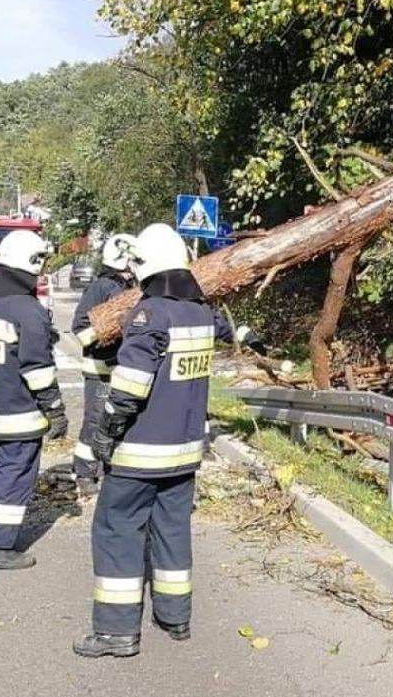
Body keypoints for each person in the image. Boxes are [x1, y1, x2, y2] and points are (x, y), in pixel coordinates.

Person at [74, 223, 269, 658]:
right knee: (172, 531)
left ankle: (115, 632)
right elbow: (224, 333)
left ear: (143, 266)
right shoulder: (198, 313)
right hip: (184, 452)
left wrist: (104, 433)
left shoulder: (149, 313)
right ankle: (175, 616)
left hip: (141, 453)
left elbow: (130, 387)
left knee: (118, 531)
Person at [0, 230, 68, 572]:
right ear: (31, 262)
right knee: (14, 477)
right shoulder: (27, 309)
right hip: (20, 414)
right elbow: (38, 370)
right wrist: (55, 410)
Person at [69, 234, 139, 501]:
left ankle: (111, 467)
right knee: (96, 421)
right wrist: (105, 337)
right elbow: (80, 328)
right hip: (101, 369)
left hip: (124, 368)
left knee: (117, 422)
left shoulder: (133, 285)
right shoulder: (101, 287)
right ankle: (85, 473)